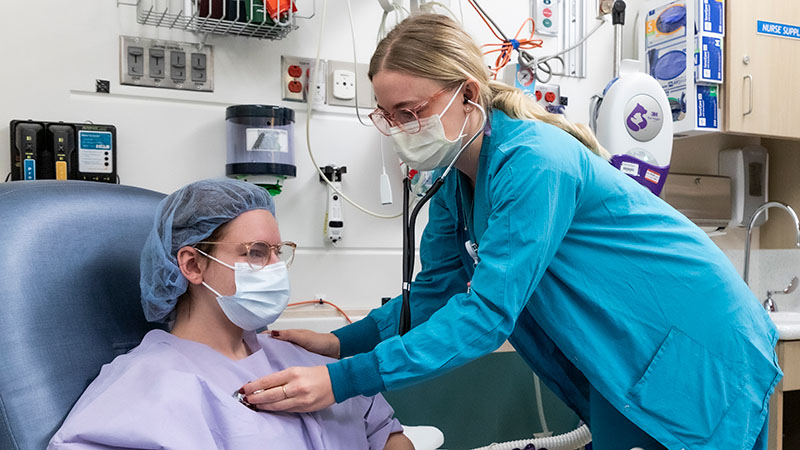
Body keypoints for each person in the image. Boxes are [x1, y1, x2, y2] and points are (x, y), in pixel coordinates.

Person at [239, 14, 782, 450]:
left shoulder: (533, 162)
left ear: (468, 94)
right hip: (629, 358)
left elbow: (486, 313)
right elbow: (433, 295)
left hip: (696, 345)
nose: (402, 130)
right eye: (387, 116)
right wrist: (337, 343)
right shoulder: (454, 182)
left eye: (411, 111)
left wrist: (343, 379)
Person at [48, 179, 412, 450]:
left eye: (277, 252)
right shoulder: (146, 386)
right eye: (255, 252)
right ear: (192, 265)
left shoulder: (300, 359)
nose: (275, 267)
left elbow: (387, 434)